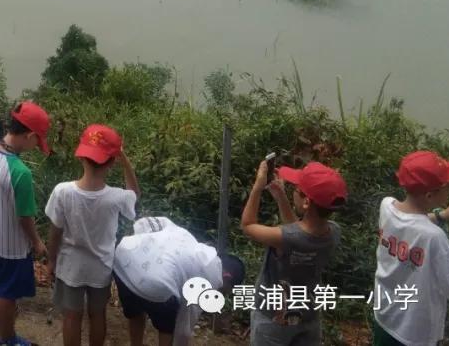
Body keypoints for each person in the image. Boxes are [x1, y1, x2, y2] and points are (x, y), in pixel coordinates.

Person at [46, 124, 139, 346]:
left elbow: (55, 231)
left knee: (71, 316)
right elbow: (134, 192)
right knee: (98, 315)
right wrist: (124, 157)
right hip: (101, 267)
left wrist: (51, 260)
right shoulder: (116, 197)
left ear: (81, 158)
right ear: (112, 162)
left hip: (70, 267)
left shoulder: (63, 191)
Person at [241, 159, 346, 345]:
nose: (293, 191)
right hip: (308, 317)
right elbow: (296, 231)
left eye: (296, 189)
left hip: (273, 319)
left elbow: (248, 225)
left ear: (306, 202)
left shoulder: (285, 238)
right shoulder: (333, 232)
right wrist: (281, 196)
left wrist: (258, 186)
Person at [0, 101, 52, 346]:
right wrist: (37, 242)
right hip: (12, 244)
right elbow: (24, 217)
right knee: (8, 293)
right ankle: (7, 339)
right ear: (28, 135)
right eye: (36, 142)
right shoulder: (21, 173)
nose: (35, 147)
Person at [114, 216, 245, 346]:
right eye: (225, 290)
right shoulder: (211, 277)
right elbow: (185, 322)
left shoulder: (188, 240)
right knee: (168, 326)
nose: (220, 293)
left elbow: (147, 223)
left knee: (136, 312)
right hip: (156, 283)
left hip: (124, 259)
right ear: (227, 276)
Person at [372, 150, 449, 346]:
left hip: (384, 316)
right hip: (414, 333)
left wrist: (444, 215)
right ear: (429, 195)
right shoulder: (434, 238)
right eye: (448, 187)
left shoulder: (387, 207)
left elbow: (411, 223)